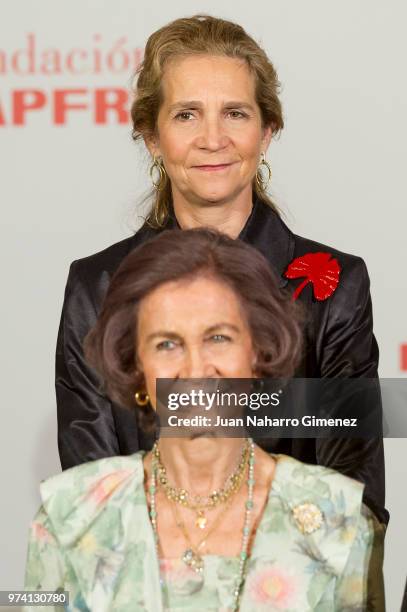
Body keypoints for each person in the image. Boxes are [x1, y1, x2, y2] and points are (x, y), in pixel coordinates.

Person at [56, 14, 387, 527]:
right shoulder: (96, 287)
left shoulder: (335, 285)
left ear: (268, 130)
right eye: (186, 115)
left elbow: (355, 499)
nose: (213, 138)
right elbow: (91, 503)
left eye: (235, 113)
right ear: (150, 136)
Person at [26, 229, 385, 611]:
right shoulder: (68, 519)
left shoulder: (337, 520)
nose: (195, 367)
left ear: (258, 352)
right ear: (135, 367)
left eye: (218, 338)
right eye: (167, 343)